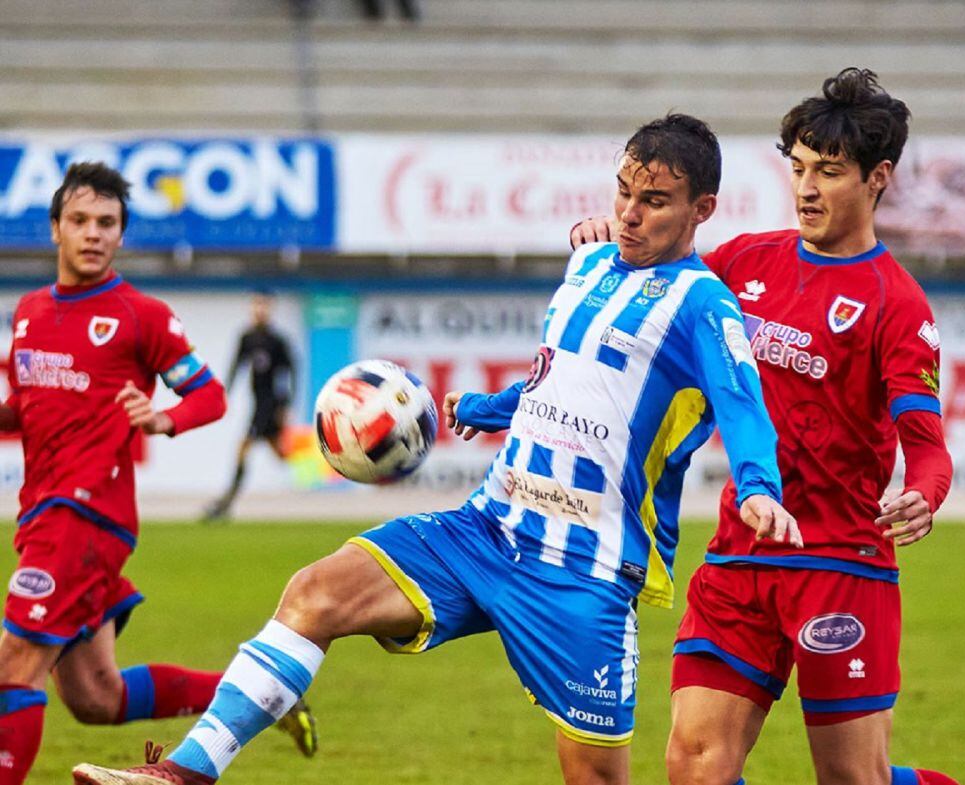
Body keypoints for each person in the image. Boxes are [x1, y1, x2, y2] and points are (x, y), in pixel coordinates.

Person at [71, 114, 799, 785]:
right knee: (314, 592)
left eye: (656, 200)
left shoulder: (704, 306)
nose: (631, 213)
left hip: (582, 571)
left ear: (703, 209)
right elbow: (562, 378)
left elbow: (742, 405)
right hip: (486, 528)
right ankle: (186, 772)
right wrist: (489, 407)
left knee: (595, 777)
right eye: (623, 191)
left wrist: (759, 484)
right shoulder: (588, 265)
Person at [570, 69, 957, 785]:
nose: (806, 188)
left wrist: (924, 494)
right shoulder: (746, 261)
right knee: (692, 766)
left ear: (878, 179)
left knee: (851, 779)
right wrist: (601, 244)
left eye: (830, 173)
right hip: (740, 557)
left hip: (841, 564)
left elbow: (928, 450)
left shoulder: (896, 303)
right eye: (799, 168)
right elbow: (654, 293)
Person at [0, 162, 315, 785]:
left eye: (107, 223)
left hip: (86, 516)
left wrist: (163, 418)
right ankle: (260, 695)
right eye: (81, 220)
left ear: (121, 235)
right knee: (96, 698)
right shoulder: (30, 313)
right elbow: (27, 409)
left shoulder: (140, 315)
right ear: (55, 228)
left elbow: (208, 396)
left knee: (14, 664)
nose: (93, 233)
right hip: (42, 513)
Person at [203, 291, 296, 522]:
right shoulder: (247, 337)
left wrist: (286, 405)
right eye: (256, 305)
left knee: (243, 448)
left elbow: (291, 373)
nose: (260, 309)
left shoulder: (277, 341)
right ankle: (325, 461)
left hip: (271, 405)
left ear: (270, 308)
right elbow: (237, 366)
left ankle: (225, 502)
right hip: (257, 404)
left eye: (264, 305)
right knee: (283, 454)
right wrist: (225, 396)